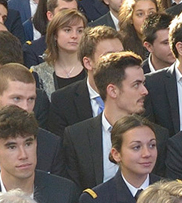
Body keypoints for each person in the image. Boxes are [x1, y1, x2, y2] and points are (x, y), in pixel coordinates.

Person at [63, 51, 158, 190]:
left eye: (143, 83)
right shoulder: (77, 137)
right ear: (112, 91)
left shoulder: (157, 135)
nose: (145, 91)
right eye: (136, 84)